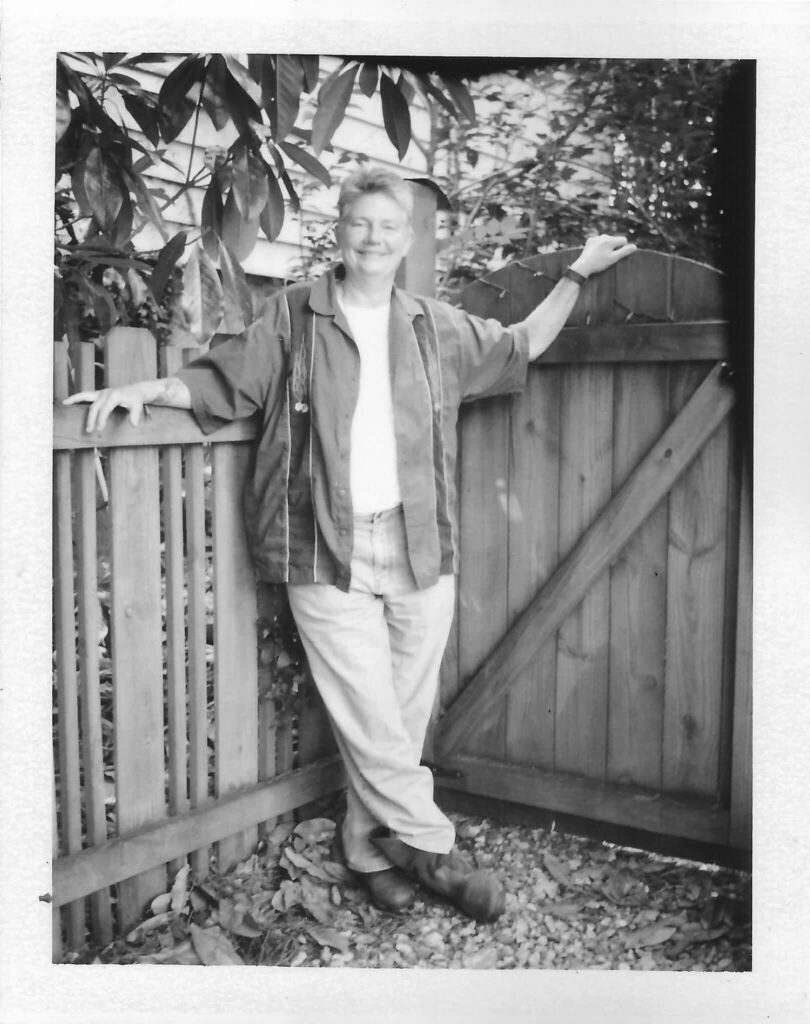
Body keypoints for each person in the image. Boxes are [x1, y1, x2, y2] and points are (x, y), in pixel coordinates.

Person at [65, 167, 635, 923]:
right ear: (340, 232)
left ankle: (368, 851)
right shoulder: (293, 319)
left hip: (420, 548)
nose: (373, 238)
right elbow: (215, 383)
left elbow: (523, 344)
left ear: (407, 240)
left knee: (395, 717)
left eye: (388, 227)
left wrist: (575, 273)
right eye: (360, 223)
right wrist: (144, 390)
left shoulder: (437, 327)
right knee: (369, 714)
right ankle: (434, 848)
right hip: (323, 548)